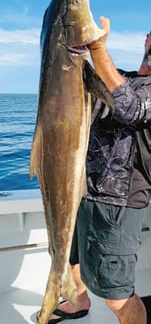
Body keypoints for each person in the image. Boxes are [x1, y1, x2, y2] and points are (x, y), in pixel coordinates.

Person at [47, 17, 151, 324]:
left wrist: (98, 47)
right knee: (73, 256)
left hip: (119, 204)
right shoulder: (123, 78)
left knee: (117, 296)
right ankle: (77, 301)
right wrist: (73, 46)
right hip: (83, 188)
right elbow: (83, 96)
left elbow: (130, 108)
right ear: (147, 39)